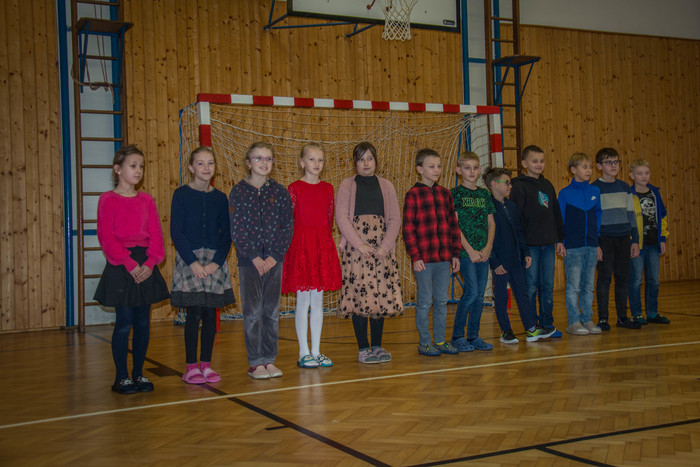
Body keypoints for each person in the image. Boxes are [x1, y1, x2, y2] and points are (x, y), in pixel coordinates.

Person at [94, 145, 170, 394]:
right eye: (133, 166)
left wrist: (150, 263)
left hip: (144, 263)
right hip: (122, 265)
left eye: (141, 166)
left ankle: (138, 374)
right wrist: (129, 264)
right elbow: (106, 237)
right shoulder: (107, 199)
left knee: (143, 323)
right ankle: (121, 377)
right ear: (117, 169)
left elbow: (156, 235)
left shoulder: (146, 200)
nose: (138, 171)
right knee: (124, 322)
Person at [170, 146, 235, 385]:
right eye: (200, 163)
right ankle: (191, 367)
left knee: (210, 313)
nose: (206, 168)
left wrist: (217, 262)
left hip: (214, 263)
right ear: (191, 167)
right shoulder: (181, 194)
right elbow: (176, 231)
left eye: (210, 163)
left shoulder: (220, 198)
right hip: (190, 261)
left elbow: (227, 234)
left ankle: (206, 365)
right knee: (194, 312)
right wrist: (193, 262)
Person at [229, 142, 293, 379]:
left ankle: (269, 359)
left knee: (271, 312)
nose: (263, 163)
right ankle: (256, 362)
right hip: (250, 263)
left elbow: (287, 226)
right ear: (248, 163)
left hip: (274, 262)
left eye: (268, 158)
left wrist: (275, 256)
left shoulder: (280, 192)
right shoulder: (238, 192)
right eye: (258, 158)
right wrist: (254, 256)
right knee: (252, 313)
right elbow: (237, 229)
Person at [336, 142, 404, 364]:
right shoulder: (347, 185)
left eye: (370, 158)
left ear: (376, 161)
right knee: (359, 297)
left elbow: (394, 219)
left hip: (381, 250)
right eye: (361, 159)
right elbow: (341, 217)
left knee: (379, 296)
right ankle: (363, 348)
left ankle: (377, 345)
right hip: (357, 251)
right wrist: (359, 244)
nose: (366, 163)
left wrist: (385, 246)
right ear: (355, 163)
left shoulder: (387, 186)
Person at [282, 143, 342, 369]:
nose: (316, 164)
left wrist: (322, 244)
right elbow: (289, 220)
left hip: (320, 246)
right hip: (301, 248)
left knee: (318, 300)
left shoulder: (328, 188)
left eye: (320, 160)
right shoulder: (294, 188)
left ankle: (316, 351)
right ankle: (303, 352)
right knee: (303, 300)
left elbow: (329, 219)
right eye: (312, 159)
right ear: (301, 162)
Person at [483, 167, 557, 344]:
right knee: (501, 296)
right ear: (493, 185)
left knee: (522, 293)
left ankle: (531, 328)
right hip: (500, 261)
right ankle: (506, 331)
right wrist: (494, 262)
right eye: (506, 182)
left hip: (516, 259)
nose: (510, 186)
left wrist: (525, 252)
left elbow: (519, 232)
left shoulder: (512, 206)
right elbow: (486, 237)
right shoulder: (487, 207)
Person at [403, 148, 461, 356]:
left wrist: (455, 253)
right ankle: (425, 342)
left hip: (444, 258)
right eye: (431, 166)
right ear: (419, 169)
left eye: (439, 166)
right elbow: (408, 228)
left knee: (441, 301)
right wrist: (415, 256)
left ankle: (440, 340)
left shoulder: (445, 194)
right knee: (425, 301)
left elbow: (453, 225)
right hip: (424, 260)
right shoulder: (413, 195)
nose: (436, 170)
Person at [510, 145, 565, 338]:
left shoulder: (547, 185)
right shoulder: (518, 187)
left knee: (547, 285)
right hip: (530, 246)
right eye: (534, 161)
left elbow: (556, 213)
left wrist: (559, 239)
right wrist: (521, 246)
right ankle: (532, 325)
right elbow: (516, 218)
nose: (539, 164)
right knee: (531, 286)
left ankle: (547, 324)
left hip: (548, 244)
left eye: (542, 161)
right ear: (524, 163)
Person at [449, 152, 496, 352]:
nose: (472, 171)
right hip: (465, 253)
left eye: (475, 167)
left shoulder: (484, 194)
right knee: (471, 292)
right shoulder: (455, 194)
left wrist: (488, 247)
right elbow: (455, 225)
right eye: (467, 168)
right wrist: (469, 250)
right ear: (459, 170)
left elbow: (491, 223)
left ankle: (474, 336)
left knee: (479, 296)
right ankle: (457, 336)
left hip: (483, 253)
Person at [592, 148, 641, 330]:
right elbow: (592, 219)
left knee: (623, 278)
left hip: (624, 238)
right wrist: (595, 243)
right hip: (604, 238)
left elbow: (631, 216)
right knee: (604, 278)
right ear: (599, 166)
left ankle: (622, 317)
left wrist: (634, 240)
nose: (613, 166)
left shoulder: (625, 187)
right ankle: (603, 318)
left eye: (616, 162)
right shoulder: (594, 188)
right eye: (608, 162)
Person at [558, 153, 603, 336]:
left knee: (588, 286)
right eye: (584, 167)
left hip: (591, 246)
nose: (589, 170)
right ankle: (574, 321)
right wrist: (561, 242)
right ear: (573, 170)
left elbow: (598, 216)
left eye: (590, 167)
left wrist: (597, 242)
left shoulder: (595, 191)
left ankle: (587, 319)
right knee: (573, 286)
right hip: (573, 247)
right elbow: (560, 220)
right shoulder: (565, 194)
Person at [628, 159, 670, 324]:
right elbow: (628, 220)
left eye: (646, 173)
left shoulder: (654, 193)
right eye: (639, 173)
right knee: (636, 279)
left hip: (653, 244)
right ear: (632, 176)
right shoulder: (629, 195)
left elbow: (662, 216)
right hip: (637, 245)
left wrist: (662, 238)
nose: (644, 176)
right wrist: (632, 241)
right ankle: (637, 313)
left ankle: (652, 312)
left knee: (653, 280)